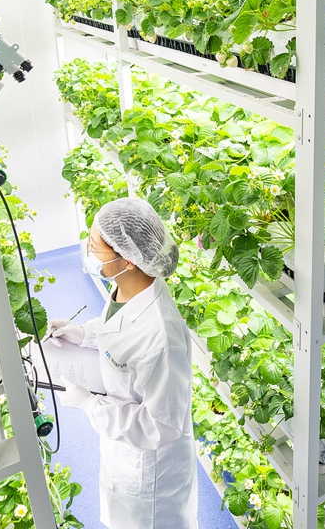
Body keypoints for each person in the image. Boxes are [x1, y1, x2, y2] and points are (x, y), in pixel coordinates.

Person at [47, 197, 197, 529]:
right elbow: (123, 328)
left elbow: (162, 426)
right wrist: (83, 334)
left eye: (95, 244)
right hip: (125, 454)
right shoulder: (127, 287)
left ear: (127, 259)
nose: (87, 249)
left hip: (151, 475)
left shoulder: (162, 338)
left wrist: (89, 404)